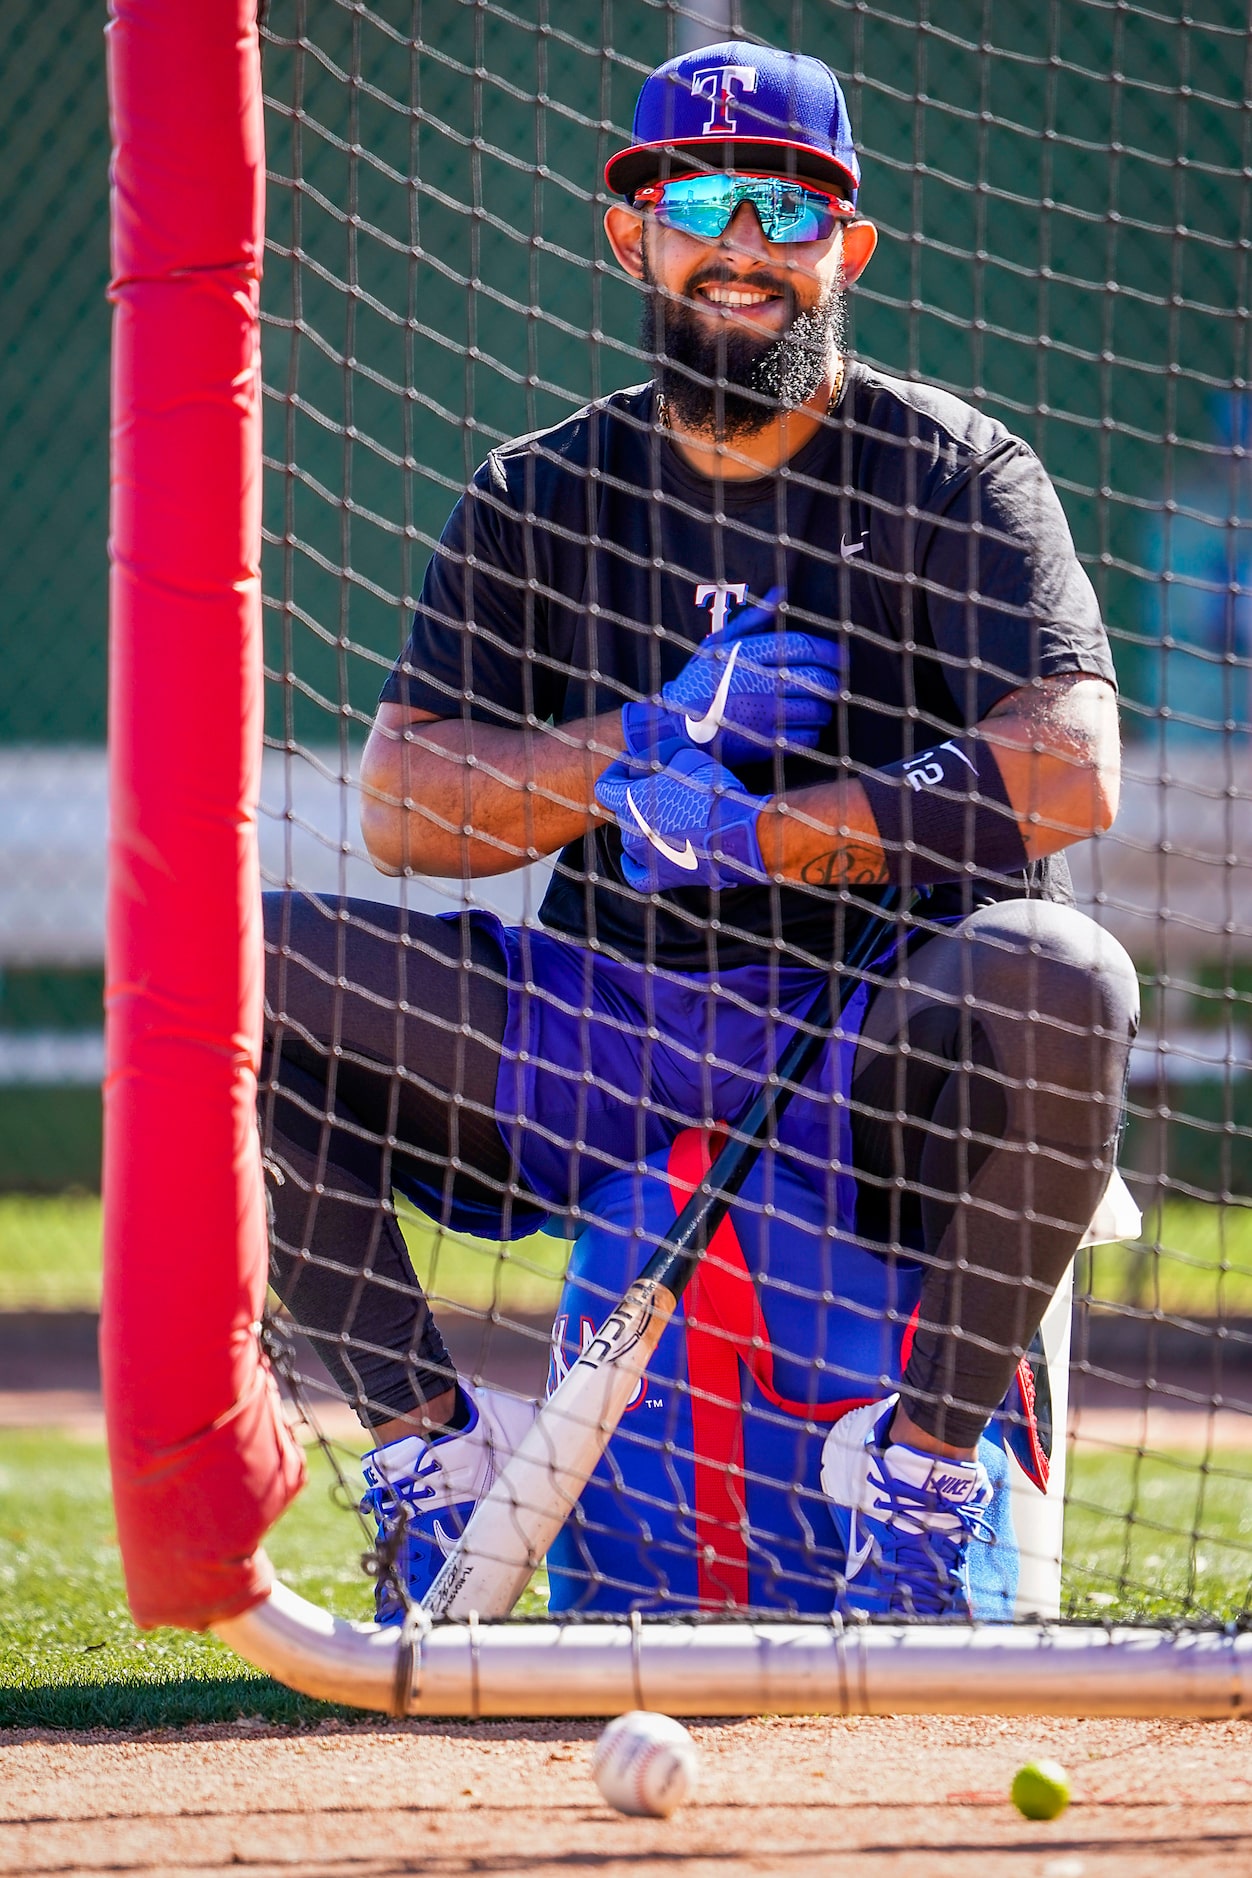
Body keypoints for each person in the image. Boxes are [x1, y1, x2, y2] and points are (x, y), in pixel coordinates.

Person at [260, 41, 1139, 1621]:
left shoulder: (955, 471)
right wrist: (633, 750)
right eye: (706, 202)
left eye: (791, 212)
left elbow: (1073, 767)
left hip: (875, 1038)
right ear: (636, 233)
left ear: (846, 251)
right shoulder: (540, 494)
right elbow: (400, 803)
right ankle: (426, 1454)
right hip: (611, 1024)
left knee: (1068, 976)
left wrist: (770, 831)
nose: (747, 245)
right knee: (227, 980)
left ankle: (922, 1480)